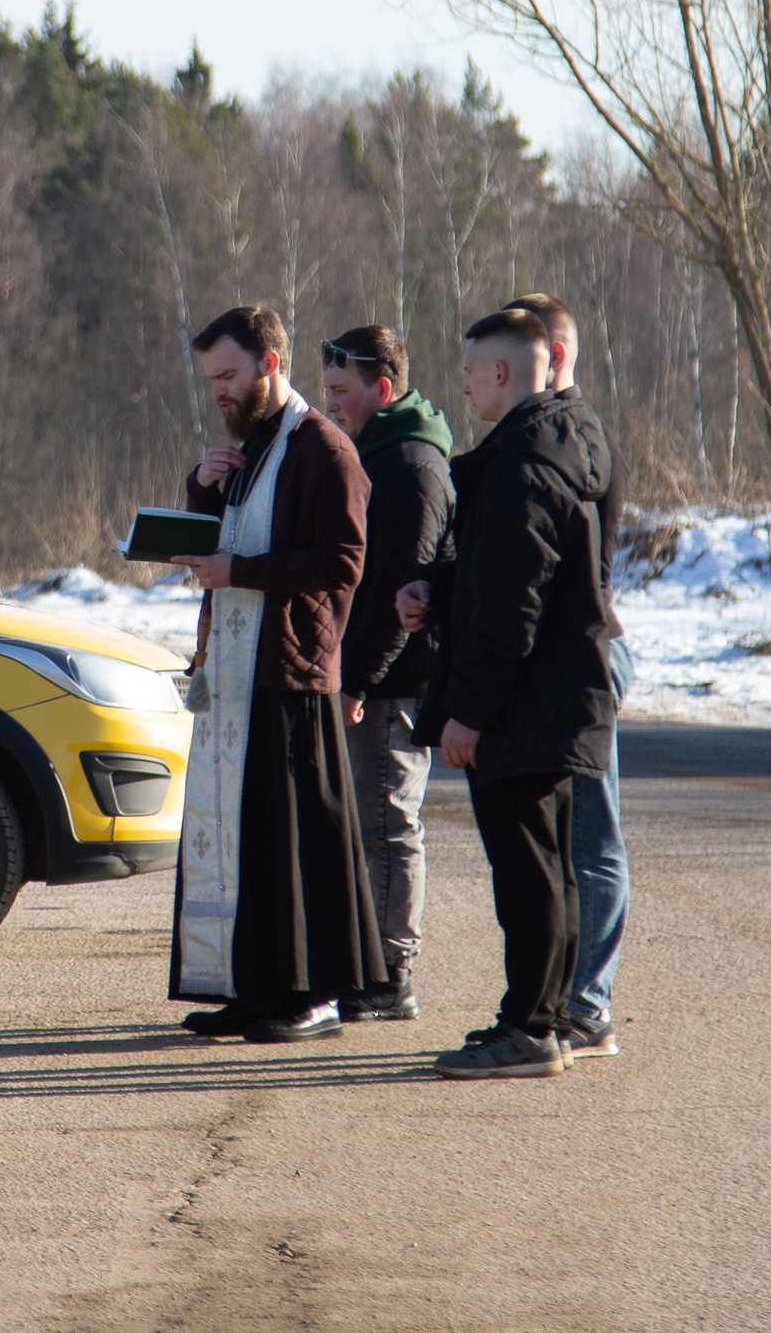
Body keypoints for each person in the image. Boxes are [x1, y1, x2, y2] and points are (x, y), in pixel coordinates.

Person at [409, 308, 619, 1079]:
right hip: (560, 699)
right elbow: (511, 579)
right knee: (554, 866)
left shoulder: (519, 467)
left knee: (529, 874)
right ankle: (553, 1015)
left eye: (470, 370)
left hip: (527, 706)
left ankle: (528, 1028)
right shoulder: (568, 440)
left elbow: (510, 610)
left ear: (503, 372)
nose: (461, 383)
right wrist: (437, 584)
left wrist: (468, 712)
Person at [166, 305, 379, 1043]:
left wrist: (240, 571)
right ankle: (251, 987)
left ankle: (312, 995)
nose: (219, 391)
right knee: (243, 841)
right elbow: (218, 548)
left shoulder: (323, 448)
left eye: (228, 374)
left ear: (270, 364)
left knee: (294, 846)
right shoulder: (251, 450)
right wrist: (200, 487)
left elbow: (343, 561)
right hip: (233, 674)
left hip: (291, 676)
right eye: (211, 379)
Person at [503, 292, 628, 1061]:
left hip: (585, 653)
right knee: (565, 835)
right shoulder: (552, 434)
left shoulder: (577, 436)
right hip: (567, 652)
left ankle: (588, 1002)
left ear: (551, 353)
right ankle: (566, 998)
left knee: (592, 834)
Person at [317, 325, 453, 1023]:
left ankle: (391, 972)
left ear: (384, 387)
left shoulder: (408, 465)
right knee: (369, 822)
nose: (331, 403)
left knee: (387, 821)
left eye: (342, 391)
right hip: (371, 674)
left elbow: (399, 589)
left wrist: (358, 680)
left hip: (394, 681)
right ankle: (368, 963)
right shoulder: (377, 453)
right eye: (328, 389)